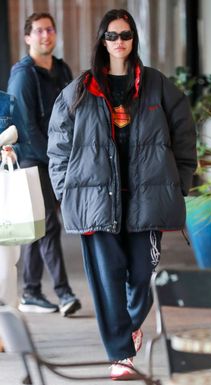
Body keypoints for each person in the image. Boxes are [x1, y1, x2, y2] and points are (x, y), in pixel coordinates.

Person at [47, 8, 197, 379]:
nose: (118, 42)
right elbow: (58, 147)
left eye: (125, 35)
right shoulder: (80, 88)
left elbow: (184, 136)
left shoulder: (157, 85)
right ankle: (120, 354)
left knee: (142, 274)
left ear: (134, 40)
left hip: (146, 201)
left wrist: (178, 184)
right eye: (111, 36)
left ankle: (128, 326)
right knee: (106, 277)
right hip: (96, 202)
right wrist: (68, 193)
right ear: (102, 40)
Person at [7, 12, 81, 317]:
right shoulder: (23, 75)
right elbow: (25, 127)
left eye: (49, 30)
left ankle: (32, 291)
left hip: (58, 158)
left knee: (39, 228)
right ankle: (64, 293)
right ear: (28, 37)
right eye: (38, 31)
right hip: (33, 158)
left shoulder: (62, 69)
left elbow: (75, 112)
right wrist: (57, 160)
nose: (45, 35)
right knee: (49, 226)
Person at [0, 90, 30, 309]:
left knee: (5, 266)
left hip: (4, 193)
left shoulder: (7, 102)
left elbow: (25, 141)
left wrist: (13, 152)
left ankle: (5, 331)